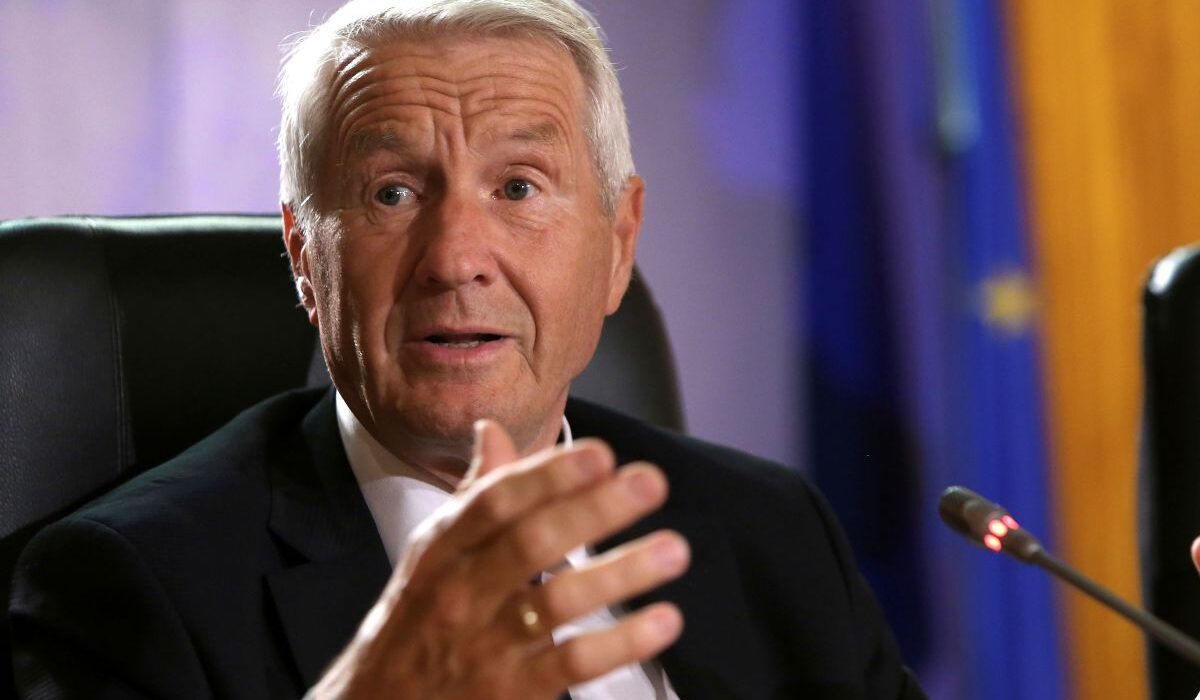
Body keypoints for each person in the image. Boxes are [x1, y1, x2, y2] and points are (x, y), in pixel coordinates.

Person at [9, 1, 925, 698]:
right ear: (304, 256)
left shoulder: (772, 535)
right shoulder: (129, 586)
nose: (454, 259)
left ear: (619, 243)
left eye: (518, 187)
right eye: (393, 194)